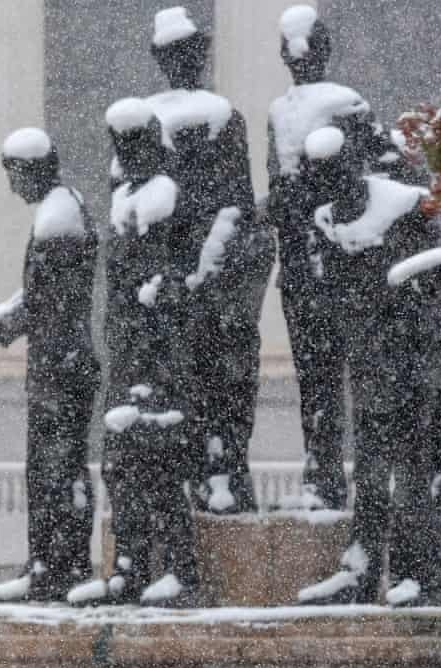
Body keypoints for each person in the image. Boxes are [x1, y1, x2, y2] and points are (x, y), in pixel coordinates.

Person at [294, 125, 441, 607]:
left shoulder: (404, 205)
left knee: (434, 465)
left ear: (354, 166)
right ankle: (372, 571)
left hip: (420, 359)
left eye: (337, 176)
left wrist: (404, 306)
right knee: (380, 471)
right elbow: (326, 299)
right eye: (323, 181)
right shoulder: (326, 223)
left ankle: (417, 572)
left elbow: (440, 278)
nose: (332, 189)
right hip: (377, 363)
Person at [267, 5, 423, 511]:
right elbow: (282, 184)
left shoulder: (346, 103)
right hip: (299, 263)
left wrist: (346, 212)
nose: (300, 54)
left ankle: (360, 479)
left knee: (351, 373)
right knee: (315, 377)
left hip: (339, 263)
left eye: (306, 44)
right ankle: (322, 477)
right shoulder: (279, 111)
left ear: (323, 49)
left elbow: (387, 167)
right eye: (293, 45)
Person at [66, 100, 202, 608]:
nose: (129, 152)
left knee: (161, 465)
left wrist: (159, 310)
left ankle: (180, 570)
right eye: (121, 143)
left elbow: (176, 281)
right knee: (121, 467)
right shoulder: (125, 196)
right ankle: (129, 565)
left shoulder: (167, 197)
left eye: (135, 141)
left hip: (158, 353)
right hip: (126, 349)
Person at [146, 5, 263, 516]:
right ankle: (206, 478)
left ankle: (224, 476)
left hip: (208, 281)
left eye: (188, 53)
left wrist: (205, 268)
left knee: (222, 389)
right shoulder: (153, 119)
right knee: (196, 389)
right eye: (174, 54)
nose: (183, 62)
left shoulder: (219, 117)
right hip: (181, 281)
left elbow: (238, 202)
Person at [0, 127, 102, 604]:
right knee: (54, 468)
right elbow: (39, 297)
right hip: (60, 363)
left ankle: (56, 565)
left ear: (31, 169)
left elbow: (44, 300)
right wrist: (0, 326)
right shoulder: (60, 210)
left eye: (13, 175)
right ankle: (53, 562)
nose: (12, 187)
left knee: (55, 470)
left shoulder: (59, 218)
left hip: (61, 365)